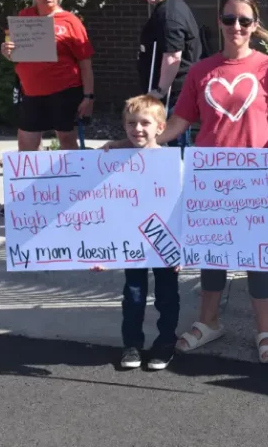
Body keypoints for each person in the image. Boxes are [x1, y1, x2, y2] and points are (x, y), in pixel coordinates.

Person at [106, 0, 268, 364]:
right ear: (220, 21)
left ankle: (265, 330)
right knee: (213, 253)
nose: (236, 26)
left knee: (258, 256)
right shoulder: (202, 71)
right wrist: (130, 142)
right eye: (229, 19)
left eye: (244, 20)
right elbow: (177, 123)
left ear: (255, 25)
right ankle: (209, 321)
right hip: (209, 178)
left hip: (256, 177)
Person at [97, 95, 181, 371]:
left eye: (145, 122)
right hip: (129, 242)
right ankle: (131, 344)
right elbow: (102, 207)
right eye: (131, 123)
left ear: (160, 127)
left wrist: (180, 248)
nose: (138, 129)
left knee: (167, 296)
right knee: (133, 295)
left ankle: (166, 342)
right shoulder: (113, 160)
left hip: (164, 242)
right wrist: (98, 250)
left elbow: (181, 207)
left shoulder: (173, 163)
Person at [1, 0, 95, 151]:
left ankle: (70, 178)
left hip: (65, 92)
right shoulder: (24, 17)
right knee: (26, 145)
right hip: (31, 93)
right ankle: (33, 180)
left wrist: (88, 97)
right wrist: (7, 51)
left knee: (67, 141)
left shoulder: (70, 21)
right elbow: (15, 53)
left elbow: (85, 64)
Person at [137, 0, 201, 107]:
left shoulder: (169, 15)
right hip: (173, 94)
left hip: (171, 97)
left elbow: (172, 56)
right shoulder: (169, 7)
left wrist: (160, 91)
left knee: (166, 130)